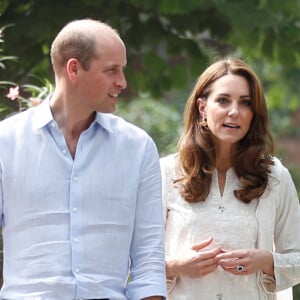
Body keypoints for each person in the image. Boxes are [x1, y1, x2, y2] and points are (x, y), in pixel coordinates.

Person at [0, 18, 167, 300]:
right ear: (74, 69)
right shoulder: (5, 142)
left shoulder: (138, 148)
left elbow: (149, 260)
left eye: (122, 70)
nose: (122, 82)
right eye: (112, 70)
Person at [160, 57, 300, 300]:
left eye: (245, 103)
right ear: (203, 107)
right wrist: (177, 266)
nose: (234, 112)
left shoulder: (275, 176)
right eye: (223, 100)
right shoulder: (165, 172)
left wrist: (266, 260)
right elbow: (134, 260)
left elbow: (297, 257)